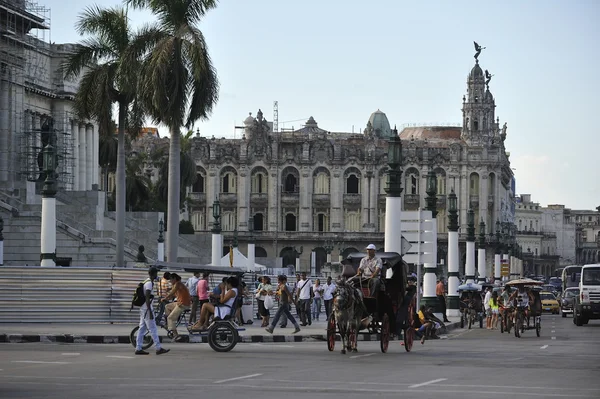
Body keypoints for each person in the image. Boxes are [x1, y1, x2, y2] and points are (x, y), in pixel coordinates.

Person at [134, 267, 170, 355]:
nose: (157, 275)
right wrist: (150, 311)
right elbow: (147, 297)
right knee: (153, 328)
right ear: (153, 274)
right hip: (147, 309)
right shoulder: (149, 283)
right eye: (156, 273)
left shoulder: (146, 281)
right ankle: (158, 348)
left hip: (143, 308)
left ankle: (138, 348)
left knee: (142, 328)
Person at [162, 273, 191, 342]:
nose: (170, 281)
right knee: (167, 306)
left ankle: (175, 335)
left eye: (171, 280)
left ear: (174, 279)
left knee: (170, 318)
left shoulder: (178, 284)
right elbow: (173, 294)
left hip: (183, 304)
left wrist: (165, 298)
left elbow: (172, 292)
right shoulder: (177, 284)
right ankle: (170, 325)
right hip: (179, 303)